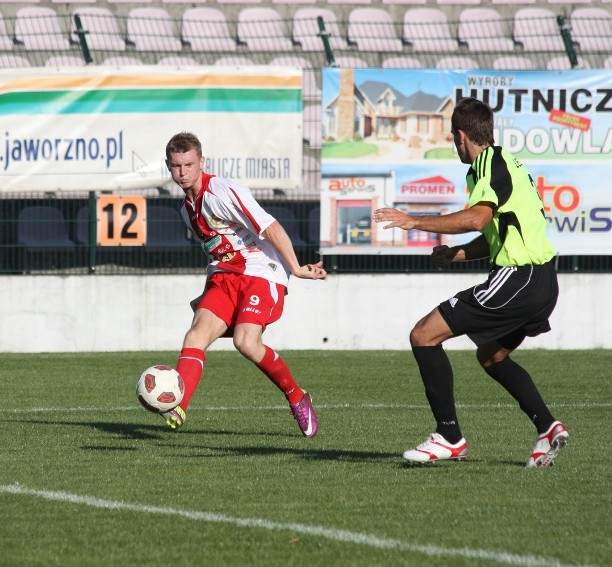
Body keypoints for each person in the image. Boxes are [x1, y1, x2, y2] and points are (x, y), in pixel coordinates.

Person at [372, 97, 568, 467]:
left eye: (452, 137)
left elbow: (477, 218)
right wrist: (457, 255)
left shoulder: (488, 165)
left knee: (423, 335)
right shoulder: (501, 163)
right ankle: (547, 427)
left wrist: (413, 221)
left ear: (461, 136)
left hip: (518, 278)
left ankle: (449, 437)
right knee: (493, 356)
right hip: (542, 280)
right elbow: (494, 228)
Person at [160, 132, 327, 437]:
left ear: (202, 162)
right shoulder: (187, 210)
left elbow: (270, 226)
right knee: (195, 335)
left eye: (188, 164)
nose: (183, 172)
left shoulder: (221, 192)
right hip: (225, 277)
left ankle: (297, 397)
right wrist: (206, 293)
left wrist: (297, 269)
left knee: (246, 342)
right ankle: (178, 405)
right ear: (168, 166)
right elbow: (218, 251)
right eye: (176, 166)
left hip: (262, 271)